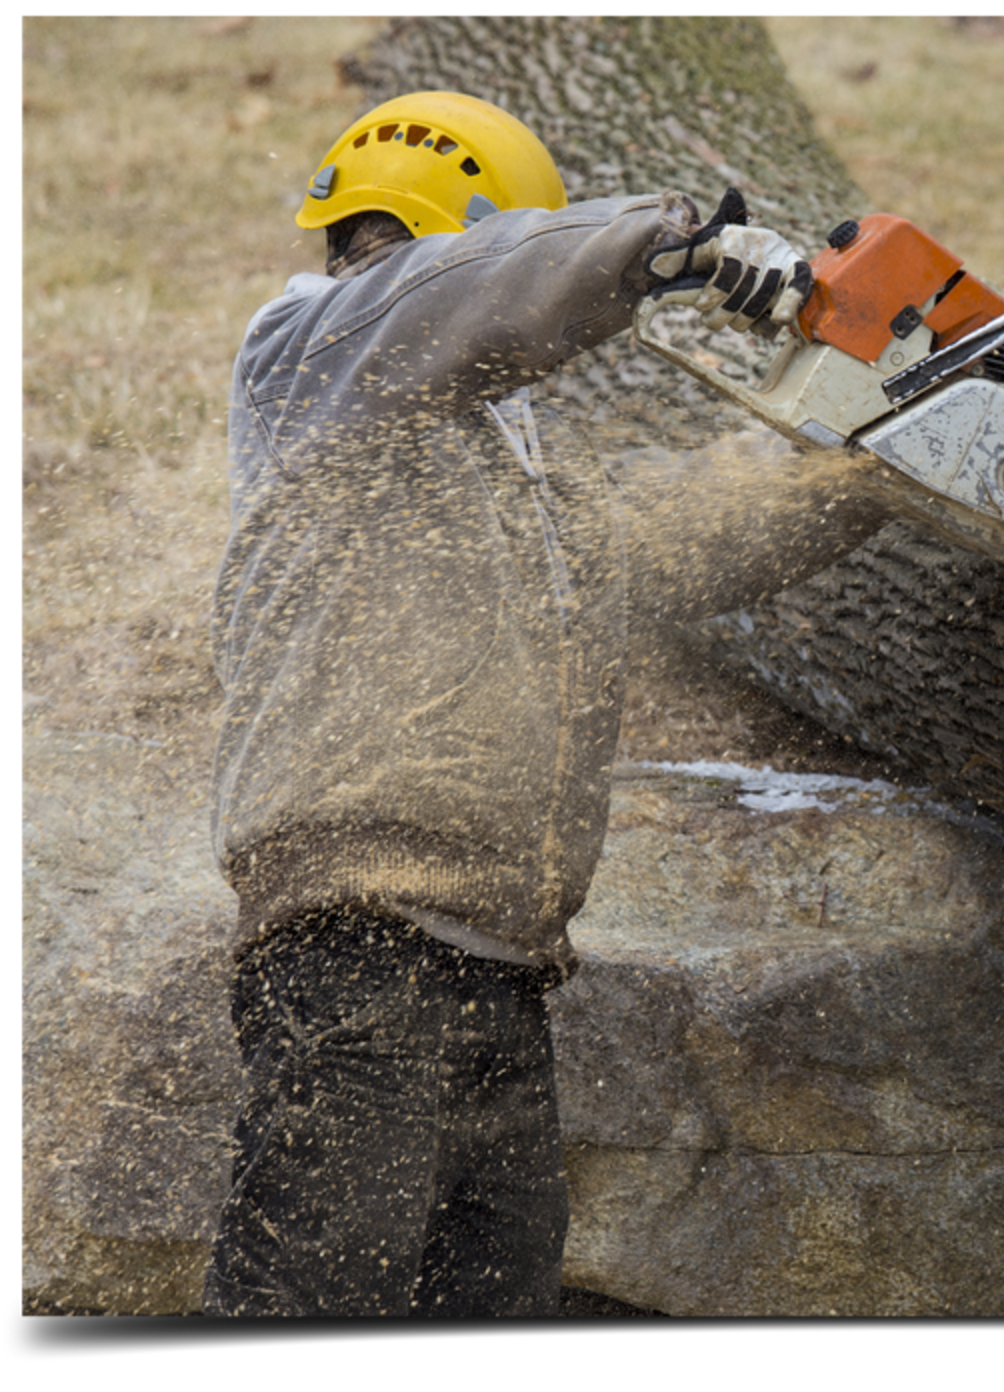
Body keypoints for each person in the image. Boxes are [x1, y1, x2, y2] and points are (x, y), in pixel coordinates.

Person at [204, 90, 883, 1316]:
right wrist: (659, 244)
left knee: (497, 1291)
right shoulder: (311, 350)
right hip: (359, 938)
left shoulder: (518, 471)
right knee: (309, 1289)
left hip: (500, 960)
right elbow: (451, 294)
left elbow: (671, 535)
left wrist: (880, 455)